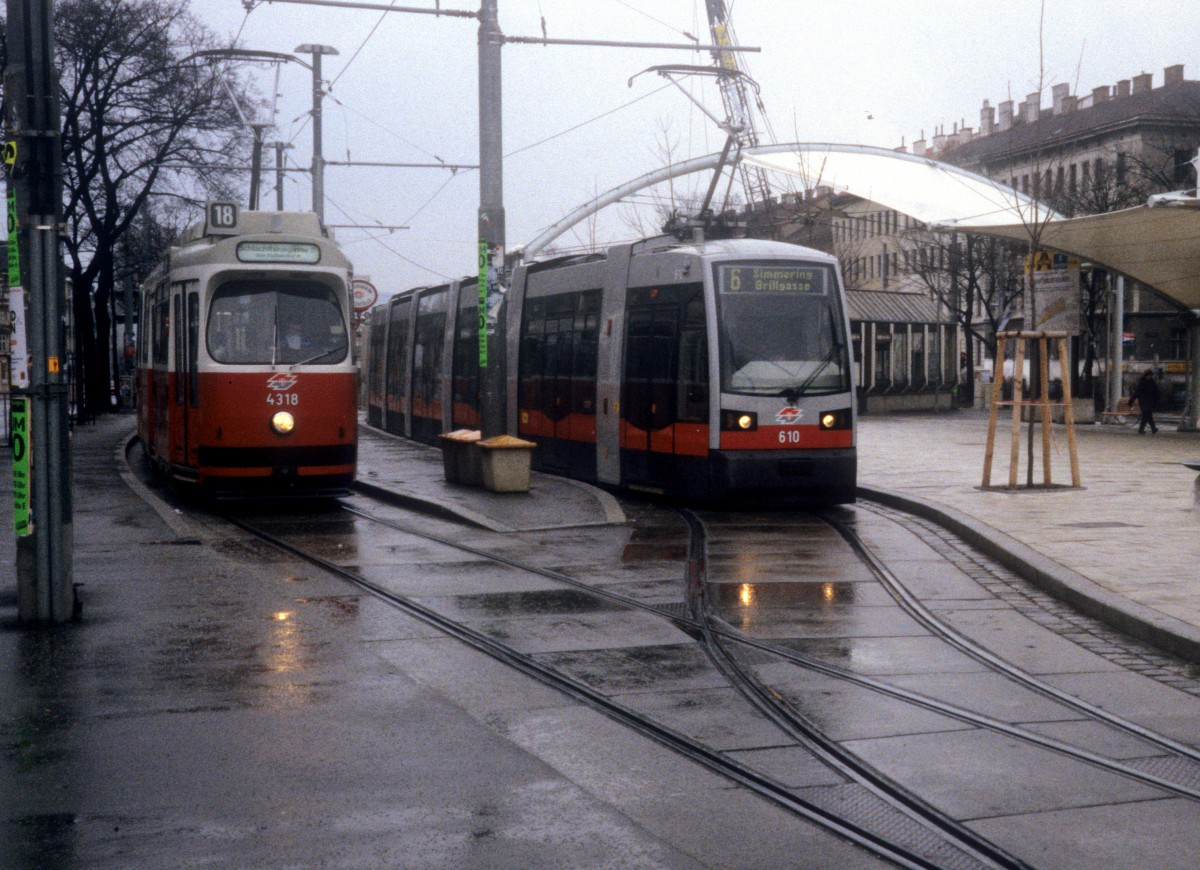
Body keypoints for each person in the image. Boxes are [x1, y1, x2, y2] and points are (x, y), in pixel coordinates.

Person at [1132, 368, 1160, 434]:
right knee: (1147, 415)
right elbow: (1137, 392)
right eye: (1149, 375)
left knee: (1147, 415)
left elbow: (1156, 391)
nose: (1150, 377)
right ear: (1146, 375)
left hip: (1149, 401)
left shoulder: (1152, 382)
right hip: (1144, 401)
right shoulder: (1142, 382)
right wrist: (1132, 399)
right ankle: (1150, 429)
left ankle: (1149, 429)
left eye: (1151, 375)